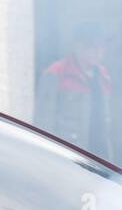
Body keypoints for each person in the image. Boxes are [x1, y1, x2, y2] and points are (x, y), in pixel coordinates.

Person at [35, 22, 114, 160]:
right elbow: (43, 122)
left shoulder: (103, 76)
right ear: (78, 46)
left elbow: (105, 124)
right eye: (92, 46)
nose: (98, 51)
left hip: (100, 157)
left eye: (101, 46)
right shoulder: (56, 73)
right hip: (69, 157)